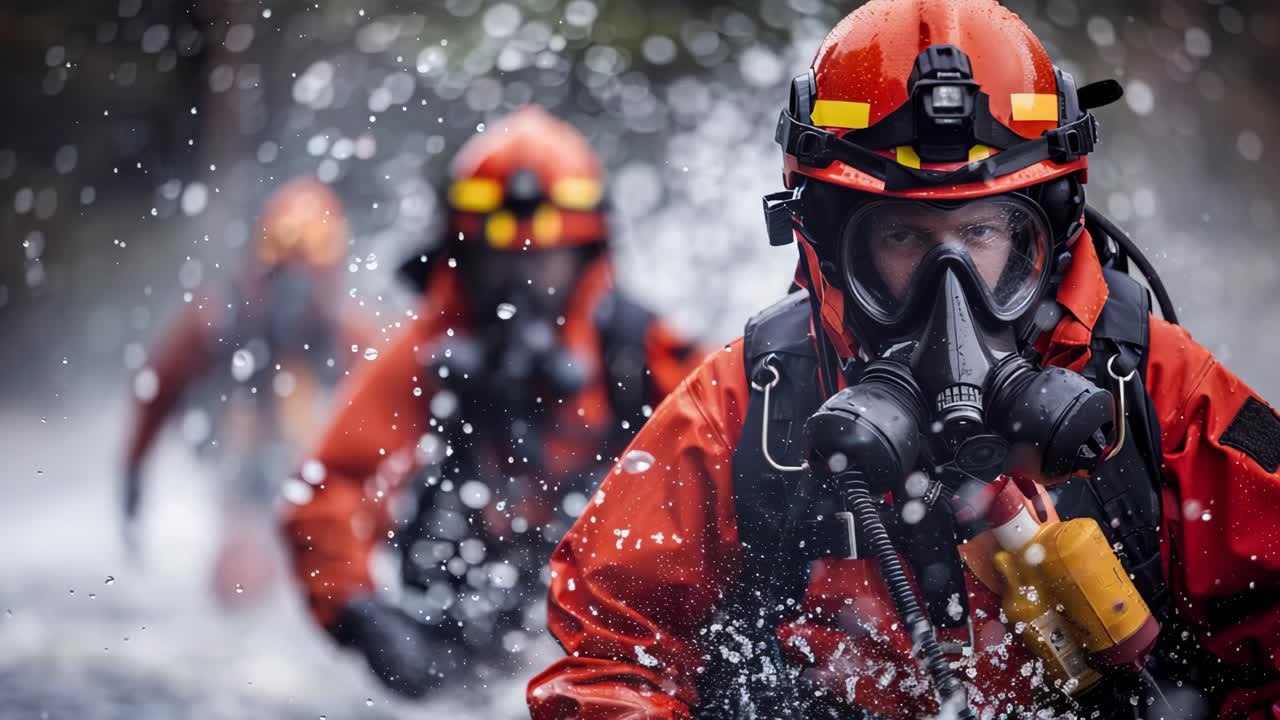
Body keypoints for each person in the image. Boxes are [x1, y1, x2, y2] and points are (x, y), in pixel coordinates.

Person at [528, 2, 1280, 718]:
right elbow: (610, 651)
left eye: (985, 233)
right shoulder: (751, 404)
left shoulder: (1152, 387)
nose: (948, 290)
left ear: (1051, 227)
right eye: (902, 239)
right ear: (824, 236)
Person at [282, 106, 704, 698]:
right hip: (454, 606)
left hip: (603, 617)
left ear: (587, 255)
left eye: (542, 262)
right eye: (500, 261)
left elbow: (735, 465)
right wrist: (357, 612)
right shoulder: (425, 351)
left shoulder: (642, 354)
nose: (521, 283)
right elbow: (328, 488)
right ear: (463, 254)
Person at [122, 176, 370, 605]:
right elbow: (155, 394)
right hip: (227, 441)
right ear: (257, 269)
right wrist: (133, 478)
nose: (295, 292)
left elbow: (394, 416)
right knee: (243, 566)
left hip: (297, 443)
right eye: (283, 273)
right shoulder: (215, 324)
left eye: (309, 276)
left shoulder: (350, 336)